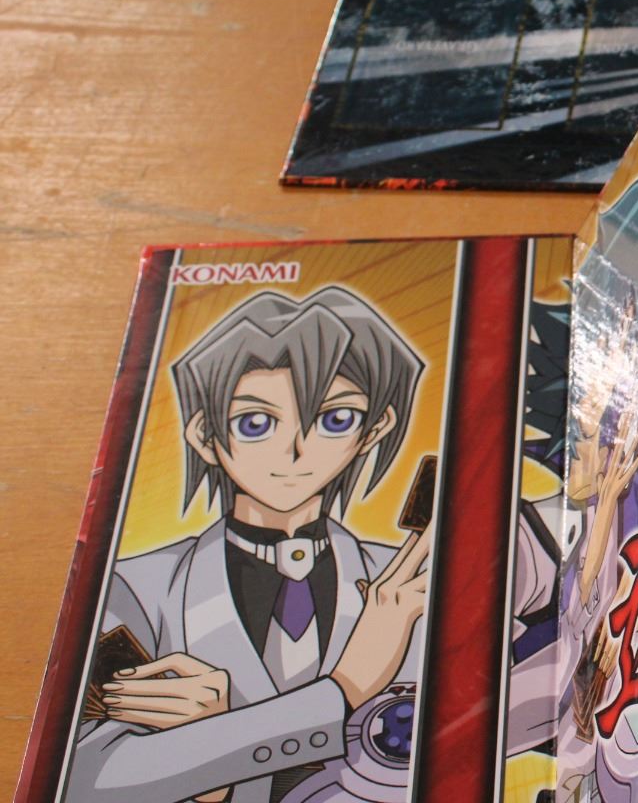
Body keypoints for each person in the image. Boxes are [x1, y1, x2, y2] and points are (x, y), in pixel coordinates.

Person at [69, 287, 432, 803]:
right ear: (204, 435)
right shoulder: (137, 588)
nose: (296, 450)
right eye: (256, 423)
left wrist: (198, 749)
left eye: (336, 419)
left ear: (375, 428)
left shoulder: (411, 586)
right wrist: (346, 688)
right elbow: (87, 778)